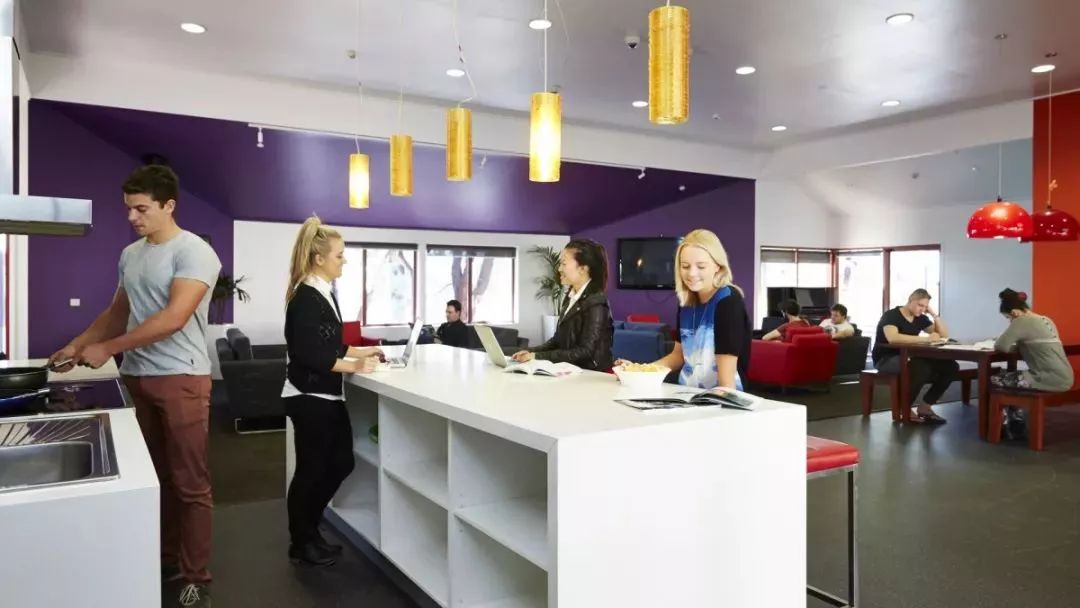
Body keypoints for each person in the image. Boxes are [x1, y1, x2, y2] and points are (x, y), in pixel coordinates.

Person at [48, 165, 221, 608]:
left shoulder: (195, 252)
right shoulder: (131, 255)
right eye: (128, 209)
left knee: (190, 483)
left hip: (182, 377)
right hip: (138, 377)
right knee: (154, 477)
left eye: (141, 209)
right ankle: (165, 558)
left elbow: (174, 317)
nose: (132, 217)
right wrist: (76, 345)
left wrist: (108, 349)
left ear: (169, 205)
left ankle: (196, 575)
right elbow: (117, 312)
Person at [283, 217, 383, 567]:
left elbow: (329, 343)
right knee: (311, 471)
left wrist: (360, 352)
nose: (344, 261)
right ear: (319, 258)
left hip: (325, 397)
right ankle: (301, 541)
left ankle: (310, 532)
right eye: (339, 255)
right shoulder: (306, 297)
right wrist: (355, 366)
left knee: (341, 463)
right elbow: (310, 354)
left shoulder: (323, 291)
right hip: (309, 398)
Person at [616, 229, 751, 390]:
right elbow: (679, 355)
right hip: (687, 393)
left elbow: (727, 382)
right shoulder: (686, 302)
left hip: (719, 396)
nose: (692, 273)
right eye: (685, 266)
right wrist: (639, 370)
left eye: (701, 266)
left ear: (718, 266)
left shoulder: (728, 300)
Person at [511, 239, 614, 371]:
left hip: (592, 375)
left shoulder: (596, 303)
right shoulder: (571, 297)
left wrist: (536, 356)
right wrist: (530, 352)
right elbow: (557, 341)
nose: (559, 269)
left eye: (564, 264)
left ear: (583, 269)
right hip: (571, 371)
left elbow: (586, 352)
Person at [872, 288, 957, 424]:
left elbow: (943, 335)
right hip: (886, 359)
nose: (922, 309)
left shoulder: (920, 318)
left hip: (910, 357)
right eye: (920, 305)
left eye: (925, 307)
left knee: (950, 366)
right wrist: (926, 339)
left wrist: (934, 315)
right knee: (921, 367)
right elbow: (893, 338)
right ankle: (904, 408)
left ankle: (925, 406)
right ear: (910, 300)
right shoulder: (891, 315)